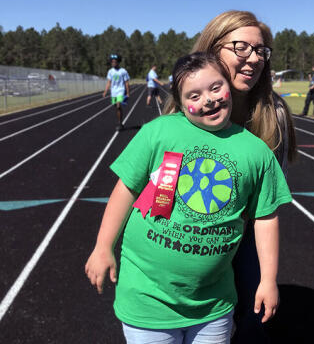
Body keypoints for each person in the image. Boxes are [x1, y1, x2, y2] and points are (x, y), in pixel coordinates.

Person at [85, 52, 292, 344]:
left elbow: (265, 218)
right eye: (194, 94)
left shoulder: (256, 152)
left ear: (228, 85)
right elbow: (126, 189)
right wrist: (103, 247)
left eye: (215, 87)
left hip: (212, 305)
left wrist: (268, 280)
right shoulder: (159, 132)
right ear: (182, 104)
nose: (208, 99)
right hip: (148, 300)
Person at [164, 10, 297, 343]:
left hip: (243, 231)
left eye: (261, 51)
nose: (253, 59)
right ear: (213, 49)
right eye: (241, 47)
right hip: (190, 228)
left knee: (254, 319)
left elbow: (264, 203)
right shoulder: (186, 106)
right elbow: (163, 181)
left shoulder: (273, 114)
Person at [103, 54, 130, 131]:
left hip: (121, 90)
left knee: (118, 105)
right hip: (113, 91)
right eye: (112, 62)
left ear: (118, 62)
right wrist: (105, 91)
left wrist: (128, 93)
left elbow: (126, 82)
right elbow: (109, 82)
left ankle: (119, 123)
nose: (113, 63)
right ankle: (120, 121)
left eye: (115, 62)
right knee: (116, 107)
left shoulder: (123, 71)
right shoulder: (110, 71)